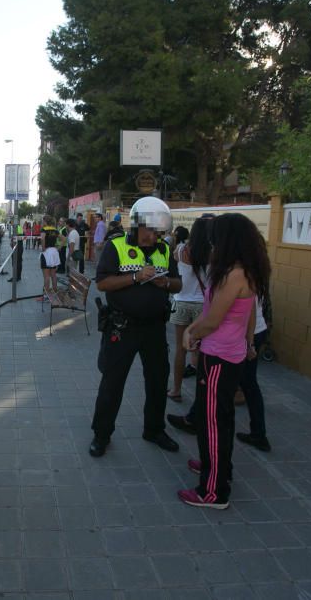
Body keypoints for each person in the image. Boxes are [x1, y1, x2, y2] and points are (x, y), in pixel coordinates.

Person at [172, 213, 271, 509]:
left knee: (213, 422)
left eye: (217, 236)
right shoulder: (242, 270)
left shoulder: (235, 274)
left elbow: (213, 320)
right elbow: (229, 313)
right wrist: (193, 330)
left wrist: (192, 334)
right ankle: (215, 467)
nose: (212, 241)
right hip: (225, 353)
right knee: (219, 417)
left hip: (219, 358)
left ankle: (213, 491)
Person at [89, 196, 182, 457]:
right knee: (112, 382)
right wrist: (135, 277)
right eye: (152, 230)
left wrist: (165, 284)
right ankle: (101, 434)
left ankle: (154, 429)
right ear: (139, 225)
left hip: (154, 329)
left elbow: (178, 283)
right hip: (123, 327)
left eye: (159, 231)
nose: (156, 235)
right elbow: (103, 283)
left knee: (157, 380)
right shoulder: (116, 246)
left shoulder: (164, 249)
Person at [167, 217, 211, 402]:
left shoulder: (181, 249)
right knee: (201, 351)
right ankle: (203, 394)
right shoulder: (213, 253)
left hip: (181, 302)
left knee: (180, 349)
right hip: (202, 306)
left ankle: (176, 389)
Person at [235, 291, 273, 451]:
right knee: (248, 383)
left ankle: (259, 434)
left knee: (246, 383)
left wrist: (249, 342)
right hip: (254, 331)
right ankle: (258, 433)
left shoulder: (241, 272)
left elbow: (249, 306)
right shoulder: (253, 270)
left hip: (245, 333)